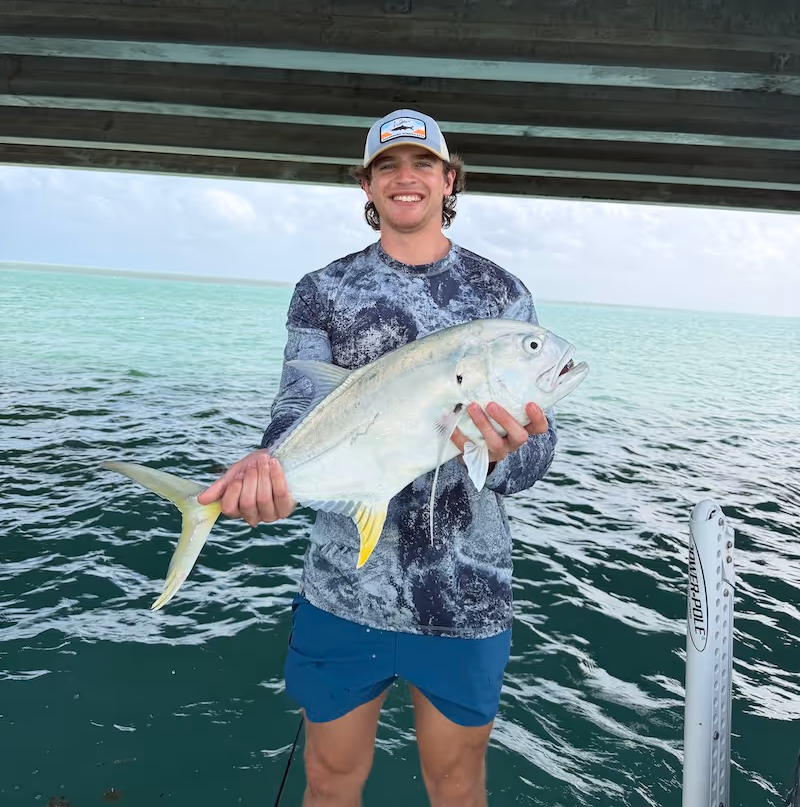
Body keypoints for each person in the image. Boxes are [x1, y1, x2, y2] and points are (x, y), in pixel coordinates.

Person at [198, 110, 557, 807]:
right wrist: (269, 476)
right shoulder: (323, 290)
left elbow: (535, 452)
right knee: (329, 782)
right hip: (342, 587)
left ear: (449, 179)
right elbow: (295, 414)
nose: (406, 177)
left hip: (465, 595)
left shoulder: (502, 298)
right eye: (388, 165)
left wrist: (509, 453)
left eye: (423, 163)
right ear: (366, 184)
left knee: (457, 788)